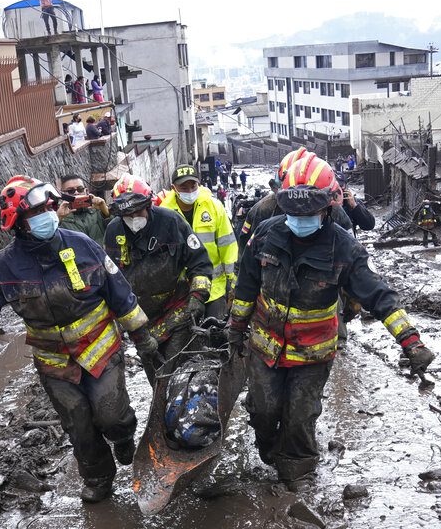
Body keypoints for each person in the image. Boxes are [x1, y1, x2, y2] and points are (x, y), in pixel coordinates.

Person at [0, 175, 159, 502]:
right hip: (56, 365)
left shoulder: (83, 245)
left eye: (48, 207)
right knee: (79, 427)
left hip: (101, 352)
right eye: (38, 210)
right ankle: (98, 478)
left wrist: (142, 337)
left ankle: (123, 436)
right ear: (18, 222)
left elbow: (120, 294)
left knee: (111, 415)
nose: (48, 214)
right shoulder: (3, 267)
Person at [226, 156, 434, 489]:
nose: (300, 219)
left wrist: (410, 340)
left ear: (326, 208)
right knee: (263, 410)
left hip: (312, 354)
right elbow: (247, 286)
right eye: (295, 212)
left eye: (309, 213)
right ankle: (269, 448)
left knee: (300, 417)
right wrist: (235, 330)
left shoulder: (343, 247)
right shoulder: (265, 235)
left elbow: (378, 295)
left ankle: (299, 472)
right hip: (266, 348)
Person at [103, 175, 214, 384]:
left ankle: (187, 409)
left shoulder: (171, 221)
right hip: (141, 318)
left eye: (138, 211)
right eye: (128, 214)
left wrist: (198, 297)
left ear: (148, 205)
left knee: (178, 368)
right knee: (156, 375)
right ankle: (162, 410)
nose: (134, 217)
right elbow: (112, 281)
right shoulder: (113, 231)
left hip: (177, 309)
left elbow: (200, 263)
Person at [238, 149, 364, 258]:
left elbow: (351, 252)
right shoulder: (263, 210)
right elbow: (245, 254)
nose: (300, 205)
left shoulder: (335, 212)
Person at [158, 164, 238, 320]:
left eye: (193, 186)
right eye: (183, 187)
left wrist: (233, 283)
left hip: (214, 288)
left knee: (216, 334)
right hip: (181, 292)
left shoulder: (213, 206)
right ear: (173, 188)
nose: (189, 191)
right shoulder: (164, 212)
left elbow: (227, 245)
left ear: (198, 184)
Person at [57, 173, 109, 244]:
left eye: (80, 189)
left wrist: (104, 209)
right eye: (70, 191)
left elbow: (115, 229)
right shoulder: (58, 216)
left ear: (86, 191)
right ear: (62, 194)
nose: (76, 193)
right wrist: (58, 218)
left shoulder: (96, 209)